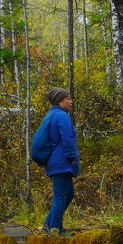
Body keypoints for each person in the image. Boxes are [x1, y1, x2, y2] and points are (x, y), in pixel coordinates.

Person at [41, 87, 79, 235]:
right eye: (68, 98)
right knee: (61, 196)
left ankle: (48, 224)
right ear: (60, 100)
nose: (71, 101)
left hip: (54, 161)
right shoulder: (62, 116)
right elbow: (68, 139)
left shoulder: (51, 115)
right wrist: (71, 158)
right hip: (61, 162)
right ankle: (55, 229)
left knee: (68, 194)